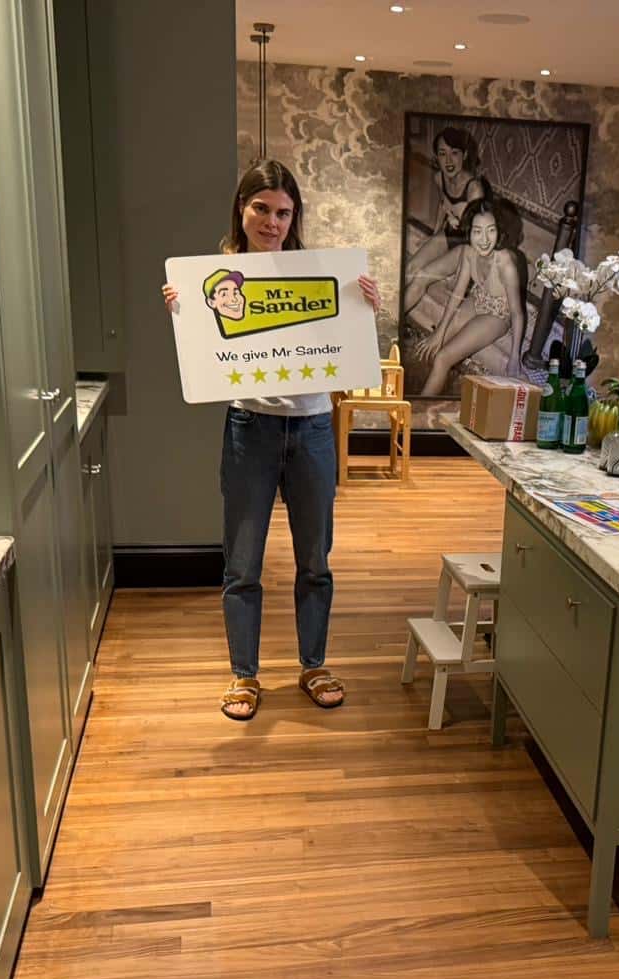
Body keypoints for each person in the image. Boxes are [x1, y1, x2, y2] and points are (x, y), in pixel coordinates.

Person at [162, 159, 381, 721]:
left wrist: (365, 310)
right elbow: (207, 353)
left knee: (315, 560)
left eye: (284, 212)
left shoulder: (320, 274)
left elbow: (345, 346)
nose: (272, 222)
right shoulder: (215, 279)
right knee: (242, 565)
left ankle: (314, 665)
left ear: (294, 216)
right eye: (262, 208)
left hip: (313, 429)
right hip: (250, 429)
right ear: (242, 208)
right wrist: (184, 312)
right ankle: (244, 674)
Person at [415, 197, 528, 397]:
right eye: (477, 231)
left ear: (499, 231)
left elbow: (517, 313)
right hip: (478, 299)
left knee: (442, 358)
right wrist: (439, 332)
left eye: (490, 230)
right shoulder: (468, 252)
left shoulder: (506, 264)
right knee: (433, 345)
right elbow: (458, 293)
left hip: (498, 314)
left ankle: (418, 411)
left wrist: (514, 357)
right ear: (469, 232)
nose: (484, 240)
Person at [402, 127, 488, 314]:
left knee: (422, 277)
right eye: (442, 153)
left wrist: (465, 271)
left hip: (468, 245)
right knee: (410, 268)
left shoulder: (474, 189)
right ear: (436, 157)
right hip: (449, 234)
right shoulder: (439, 178)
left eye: (454, 153)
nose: (448, 161)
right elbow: (443, 206)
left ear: (464, 155)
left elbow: (479, 237)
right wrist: (433, 236)